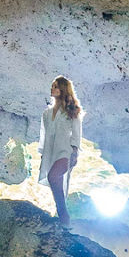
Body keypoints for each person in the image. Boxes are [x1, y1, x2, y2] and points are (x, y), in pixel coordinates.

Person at [40, 76, 83, 226]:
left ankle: (63, 213)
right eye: (52, 86)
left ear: (63, 89)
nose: (52, 89)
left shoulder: (72, 110)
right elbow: (45, 136)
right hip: (52, 151)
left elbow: (76, 133)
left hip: (66, 150)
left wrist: (75, 152)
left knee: (53, 176)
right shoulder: (46, 113)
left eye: (56, 86)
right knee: (56, 184)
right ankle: (62, 215)